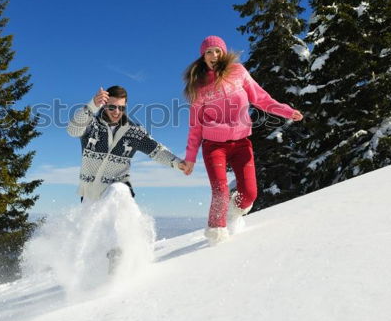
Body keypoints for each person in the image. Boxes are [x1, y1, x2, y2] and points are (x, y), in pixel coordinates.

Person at [181, 36, 303, 245]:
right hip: (213, 145)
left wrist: (286, 111)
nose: (214, 56)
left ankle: (232, 214)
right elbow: (195, 127)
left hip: (241, 142)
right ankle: (216, 235)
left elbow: (261, 98)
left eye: (217, 51)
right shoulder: (199, 86)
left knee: (249, 194)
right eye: (208, 52)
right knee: (220, 190)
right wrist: (190, 158)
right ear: (203, 57)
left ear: (224, 52)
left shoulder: (238, 72)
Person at [67, 85, 187, 271]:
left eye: (121, 108)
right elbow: (72, 130)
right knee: (95, 238)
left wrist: (177, 163)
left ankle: (126, 256)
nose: (117, 112)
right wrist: (91, 106)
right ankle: (101, 274)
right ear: (105, 105)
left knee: (118, 192)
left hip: (119, 183)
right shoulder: (91, 124)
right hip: (91, 192)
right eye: (112, 107)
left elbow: (156, 150)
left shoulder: (134, 131)